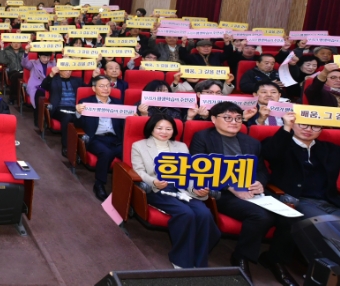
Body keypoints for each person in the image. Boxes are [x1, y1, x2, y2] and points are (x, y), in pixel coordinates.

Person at [189, 102, 290, 282]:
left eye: (238, 118)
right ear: (214, 119)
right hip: (220, 192)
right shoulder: (202, 137)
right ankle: (240, 258)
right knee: (261, 217)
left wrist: (259, 183)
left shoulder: (251, 142)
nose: (234, 122)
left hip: (250, 191)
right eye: (228, 118)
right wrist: (230, 186)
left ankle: (274, 259)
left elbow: (261, 170)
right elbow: (199, 169)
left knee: (288, 216)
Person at [260, 111, 340, 283]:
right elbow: (270, 154)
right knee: (327, 227)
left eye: (315, 126)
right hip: (297, 199)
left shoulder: (330, 149)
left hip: (329, 200)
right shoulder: (281, 144)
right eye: (303, 124)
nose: (308, 129)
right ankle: (327, 271)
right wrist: (286, 127)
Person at [131, 114, 220, 269]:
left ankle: (199, 261)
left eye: (168, 129)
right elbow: (139, 171)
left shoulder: (181, 147)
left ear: (174, 131)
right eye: (159, 128)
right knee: (185, 213)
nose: (164, 132)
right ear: (151, 129)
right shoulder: (139, 146)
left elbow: (189, 172)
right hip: (158, 189)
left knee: (204, 214)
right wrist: (153, 181)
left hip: (182, 188)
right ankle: (180, 259)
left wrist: (195, 188)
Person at [76, 75, 126, 201]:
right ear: (94, 88)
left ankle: (127, 187)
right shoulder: (86, 103)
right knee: (106, 153)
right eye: (102, 86)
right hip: (96, 138)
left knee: (129, 153)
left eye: (108, 86)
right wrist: (78, 113)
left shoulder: (118, 103)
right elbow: (77, 125)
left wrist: (131, 118)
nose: (106, 89)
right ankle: (99, 184)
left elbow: (123, 125)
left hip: (115, 138)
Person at [41, 65, 84, 152]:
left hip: (75, 108)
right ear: (59, 70)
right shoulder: (54, 79)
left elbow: (89, 88)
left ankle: (82, 148)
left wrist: (94, 77)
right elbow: (43, 86)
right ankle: (66, 147)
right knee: (67, 117)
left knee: (84, 118)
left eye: (70, 70)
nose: (68, 72)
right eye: (65, 70)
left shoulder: (77, 80)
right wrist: (51, 74)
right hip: (59, 109)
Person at [22, 51, 54, 128]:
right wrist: (26, 52)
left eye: (48, 57)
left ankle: (50, 118)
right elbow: (24, 64)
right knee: (39, 95)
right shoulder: (33, 63)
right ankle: (38, 120)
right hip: (36, 86)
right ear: (39, 56)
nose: (46, 59)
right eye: (44, 57)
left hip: (49, 86)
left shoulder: (53, 64)